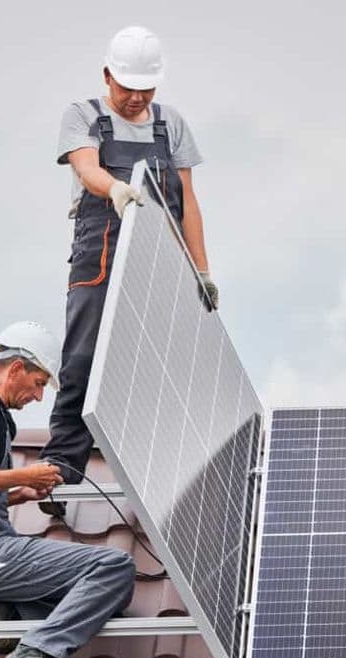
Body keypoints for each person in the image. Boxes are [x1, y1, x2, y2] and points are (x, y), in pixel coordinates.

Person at [39, 24, 219, 504]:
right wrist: (116, 188)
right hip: (100, 252)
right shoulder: (83, 115)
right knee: (83, 358)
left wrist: (200, 270)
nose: (138, 98)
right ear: (107, 76)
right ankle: (62, 468)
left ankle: (162, 477)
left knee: (157, 366)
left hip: (159, 258)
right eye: (128, 88)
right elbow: (86, 167)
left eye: (147, 88)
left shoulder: (170, 123)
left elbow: (187, 202)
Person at [0, 320, 136, 658]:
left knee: (102, 602)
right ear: (15, 368)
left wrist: (18, 494)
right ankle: (33, 655)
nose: (39, 396)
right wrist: (26, 475)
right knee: (114, 567)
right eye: (39, 383)